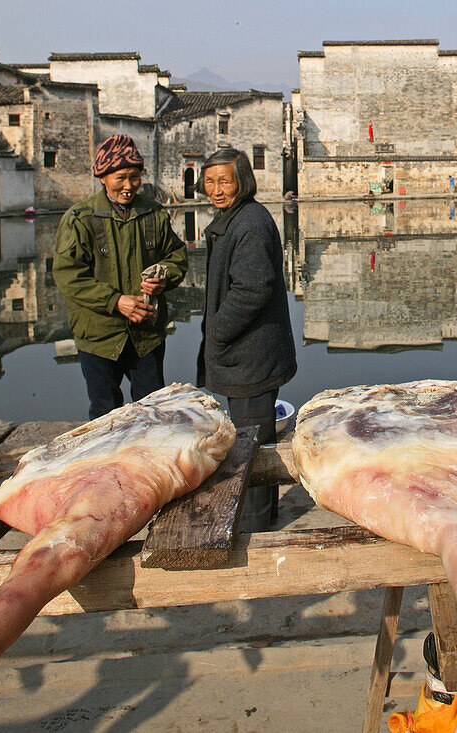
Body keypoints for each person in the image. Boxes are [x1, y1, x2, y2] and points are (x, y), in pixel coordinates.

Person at [53, 134, 187, 420]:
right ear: (103, 177)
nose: (129, 186)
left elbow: (177, 257)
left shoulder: (153, 214)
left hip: (146, 334)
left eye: (135, 177)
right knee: (105, 412)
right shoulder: (80, 219)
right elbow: (68, 276)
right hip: (99, 335)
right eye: (120, 177)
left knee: (154, 409)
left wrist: (164, 278)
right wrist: (116, 301)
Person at [198, 147, 297, 530]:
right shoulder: (234, 218)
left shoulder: (250, 222)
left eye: (225, 180)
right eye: (210, 181)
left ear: (243, 181)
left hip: (251, 357)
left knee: (249, 447)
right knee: (254, 442)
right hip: (246, 356)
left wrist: (217, 335)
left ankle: (255, 529)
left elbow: (254, 288)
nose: (216, 189)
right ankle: (264, 516)